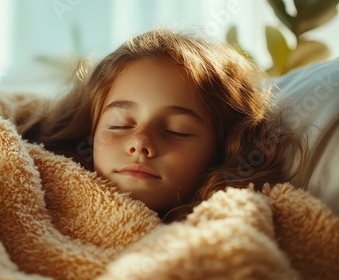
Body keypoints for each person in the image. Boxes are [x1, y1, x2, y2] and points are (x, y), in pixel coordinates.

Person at [19, 29, 306, 222]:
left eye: (176, 131)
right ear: (90, 131)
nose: (140, 142)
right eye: (119, 125)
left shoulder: (233, 224)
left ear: (223, 149)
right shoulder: (32, 185)